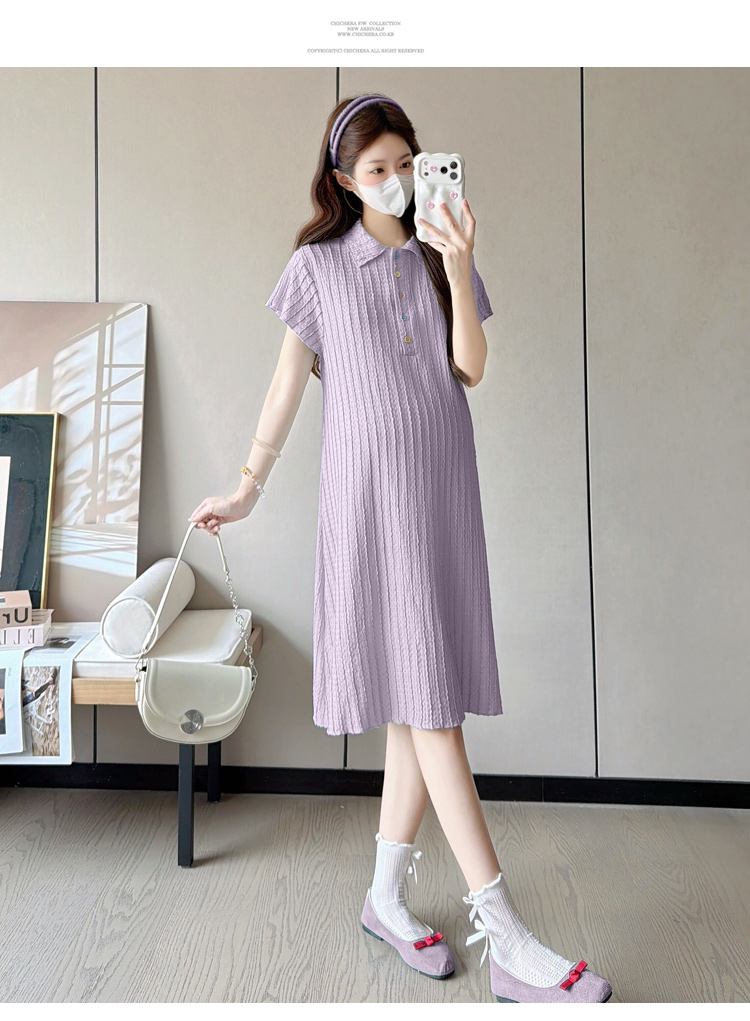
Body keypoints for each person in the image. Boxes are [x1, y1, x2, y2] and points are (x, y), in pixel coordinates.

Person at [188, 93, 612, 1004]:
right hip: (371, 505)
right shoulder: (317, 267)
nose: (395, 180)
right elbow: (285, 385)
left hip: (443, 496)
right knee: (430, 705)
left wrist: (458, 263)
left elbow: (471, 367)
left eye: (405, 163)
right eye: (376, 168)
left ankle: (385, 896)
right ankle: (507, 935)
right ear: (345, 180)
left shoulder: (436, 250)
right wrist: (247, 487)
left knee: (418, 699)